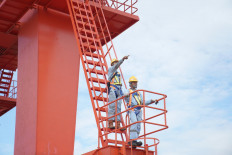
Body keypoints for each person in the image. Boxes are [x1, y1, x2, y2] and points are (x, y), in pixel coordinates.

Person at [125, 76, 158, 146]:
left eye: (136, 82)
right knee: (134, 123)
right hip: (132, 109)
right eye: (134, 82)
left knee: (138, 125)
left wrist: (151, 101)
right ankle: (132, 140)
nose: (135, 84)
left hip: (139, 110)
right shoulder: (128, 91)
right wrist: (126, 95)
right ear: (130, 84)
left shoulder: (139, 93)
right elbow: (125, 96)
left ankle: (135, 140)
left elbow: (142, 102)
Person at [108, 55, 129, 130]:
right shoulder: (111, 69)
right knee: (112, 106)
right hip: (113, 89)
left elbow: (121, 83)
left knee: (119, 108)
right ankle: (110, 123)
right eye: (115, 63)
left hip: (119, 90)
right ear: (113, 64)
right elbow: (116, 66)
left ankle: (118, 124)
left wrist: (125, 92)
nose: (116, 64)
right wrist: (122, 59)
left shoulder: (118, 74)